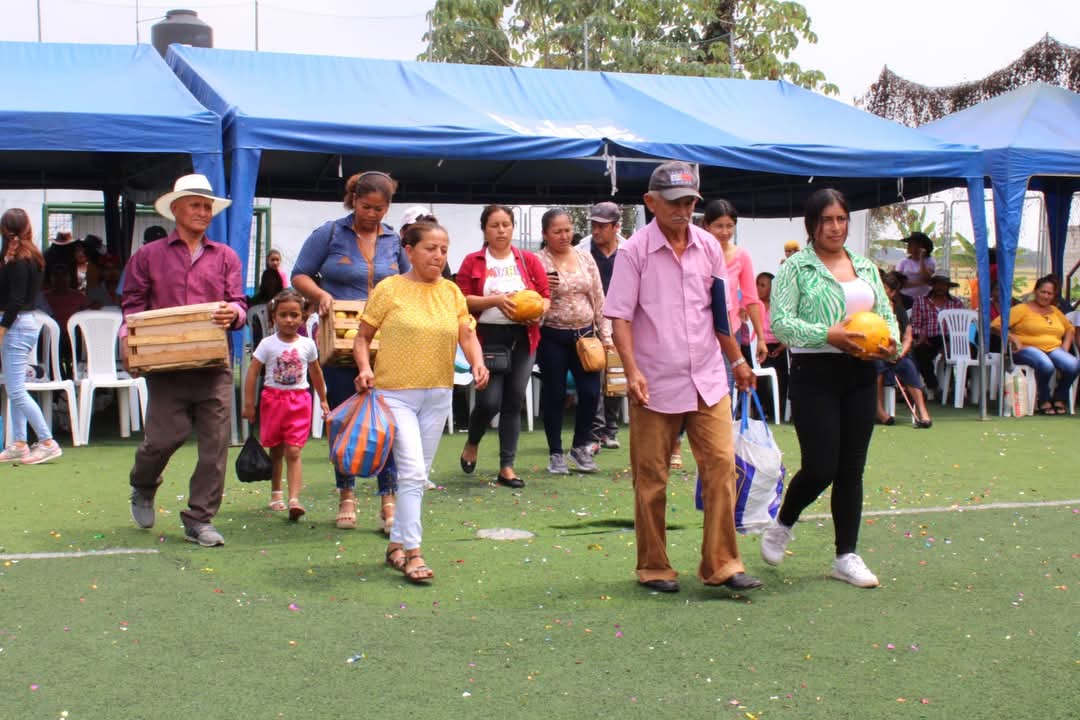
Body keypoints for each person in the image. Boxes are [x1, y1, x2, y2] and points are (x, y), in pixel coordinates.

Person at [604, 161, 761, 594]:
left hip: (708, 377)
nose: (683, 210)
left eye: (690, 202)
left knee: (722, 468)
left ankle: (722, 564)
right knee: (651, 479)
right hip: (654, 382)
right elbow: (620, 318)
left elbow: (720, 314)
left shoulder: (709, 246)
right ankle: (654, 566)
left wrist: (738, 362)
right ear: (650, 202)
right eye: (674, 202)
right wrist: (631, 371)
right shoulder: (634, 251)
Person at [763, 188, 899, 589]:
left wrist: (890, 342)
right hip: (814, 372)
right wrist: (828, 334)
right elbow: (781, 323)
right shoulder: (795, 269)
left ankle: (846, 556)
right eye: (826, 220)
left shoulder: (864, 265)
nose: (835, 227)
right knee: (821, 466)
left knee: (851, 468)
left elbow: (886, 314)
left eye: (841, 219)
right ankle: (783, 522)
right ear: (812, 224)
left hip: (861, 372)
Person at [354, 221, 488, 583]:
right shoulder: (389, 289)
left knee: (417, 477)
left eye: (443, 249)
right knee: (413, 473)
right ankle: (413, 553)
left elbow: (467, 335)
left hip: (439, 394)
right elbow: (362, 337)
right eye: (430, 248)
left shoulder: (451, 292)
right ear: (409, 251)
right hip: (394, 394)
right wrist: (364, 368)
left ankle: (395, 546)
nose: (438, 256)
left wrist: (477, 362)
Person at [122, 173, 247, 548]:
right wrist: (129, 342)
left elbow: (239, 303)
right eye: (195, 205)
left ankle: (199, 519)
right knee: (162, 441)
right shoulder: (148, 256)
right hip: (166, 368)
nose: (203, 212)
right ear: (175, 209)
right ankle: (143, 484)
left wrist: (234, 313)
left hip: (214, 368)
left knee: (215, 447)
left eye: (207, 206)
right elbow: (132, 306)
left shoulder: (226, 256)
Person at [291, 170, 410, 532]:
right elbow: (300, 274)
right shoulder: (329, 233)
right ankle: (347, 494)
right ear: (353, 200)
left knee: (388, 420)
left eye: (379, 208)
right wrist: (321, 294)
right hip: (340, 340)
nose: (372, 214)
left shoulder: (394, 240)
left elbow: (409, 281)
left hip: (386, 343)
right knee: (345, 417)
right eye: (366, 206)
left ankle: (388, 499)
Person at [457, 205, 550, 489]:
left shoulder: (528, 260)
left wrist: (538, 312)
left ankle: (507, 466)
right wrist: (495, 301)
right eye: (494, 225)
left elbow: (545, 296)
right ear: (484, 230)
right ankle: (473, 441)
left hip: (523, 336)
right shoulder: (473, 261)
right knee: (489, 401)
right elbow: (461, 300)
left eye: (506, 225)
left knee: (513, 400)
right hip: (487, 337)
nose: (501, 230)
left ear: (512, 228)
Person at [243, 289, 329, 520]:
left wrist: (323, 398)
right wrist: (249, 404)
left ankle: (294, 499)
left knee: (293, 450)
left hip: (299, 402)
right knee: (276, 449)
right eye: (283, 315)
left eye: (294, 315)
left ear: (302, 317)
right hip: (273, 401)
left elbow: (316, 373)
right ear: (274, 317)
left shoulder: (307, 344)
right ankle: (276, 493)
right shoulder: (267, 344)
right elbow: (252, 373)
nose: (289, 320)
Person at [536, 208, 610, 475]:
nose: (564, 236)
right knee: (555, 394)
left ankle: (580, 447)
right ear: (545, 234)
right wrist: (544, 289)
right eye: (557, 232)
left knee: (590, 392)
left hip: (586, 334)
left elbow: (598, 296)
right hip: (552, 334)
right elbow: (530, 300)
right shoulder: (537, 261)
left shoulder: (584, 257)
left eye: (567, 230)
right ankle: (555, 452)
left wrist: (605, 333)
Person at [0, 209, 64, 464]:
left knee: (15, 390)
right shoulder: (32, 256)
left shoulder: (18, 260)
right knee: (15, 387)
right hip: (24, 323)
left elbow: (15, 300)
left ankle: (47, 442)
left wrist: (2, 328)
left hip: (15, 325)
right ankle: (19, 442)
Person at [992, 274, 1078, 415]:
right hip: (1027, 349)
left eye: (1049, 293)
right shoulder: (1022, 309)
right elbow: (995, 325)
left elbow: (1070, 329)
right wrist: (1013, 338)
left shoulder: (1055, 311)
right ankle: (1043, 399)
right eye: (1043, 292)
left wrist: (1065, 348)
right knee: (1046, 365)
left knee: (1073, 365)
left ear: (1053, 295)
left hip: (1053, 349)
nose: (1046, 296)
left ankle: (1059, 398)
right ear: (1035, 291)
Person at [586, 201, 626, 452]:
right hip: (590, 319)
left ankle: (610, 429)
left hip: (621, 320)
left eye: (602, 226)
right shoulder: (583, 250)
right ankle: (595, 430)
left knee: (616, 375)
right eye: (594, 225)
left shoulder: (630, 250)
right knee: (593, 374)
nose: (596, 231)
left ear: (616, 227)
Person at [875, 271, 932, 428]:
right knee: (877, 366)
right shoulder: (872, 309)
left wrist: (900, 354)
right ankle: (880, 412)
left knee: (908, 366)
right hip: (876, 353)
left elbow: (907, 337)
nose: (880, 291)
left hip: (896, 353)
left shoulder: (899, 310)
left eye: (884, 289)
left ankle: (923, 412)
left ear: (893, 292)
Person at [739, 272, 789, 422]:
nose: (758, 288)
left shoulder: (779, 307)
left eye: (762, 285)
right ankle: (759, 411)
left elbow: (787, 329)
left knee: (779, 378)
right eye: (757, 284)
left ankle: (777, 412)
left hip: (777, 348)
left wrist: (782, 346)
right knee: (759, 378)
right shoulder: (749, 305)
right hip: (755, 348)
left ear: (771, 289)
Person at [910, 274, 965, 397]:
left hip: (951, 338)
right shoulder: (920, 301)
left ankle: (957, 388)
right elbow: (915, 325)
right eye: (938, 284)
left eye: (944, 285)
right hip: (930, 338)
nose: (940, 287)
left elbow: (962, 326)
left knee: (971, 352)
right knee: (919, 351)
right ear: (933, 285)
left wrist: (953, 341)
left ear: (948, 287)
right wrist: (921, 334)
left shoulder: (956, 303)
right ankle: (934, 386)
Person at [895, 232, 935, 309]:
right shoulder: (903, 262)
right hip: (905, 298)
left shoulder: (930, 261)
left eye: (912, 244)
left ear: (921, 246)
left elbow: (927, 278)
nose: (908, 246)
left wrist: (921, 259)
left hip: (924, 298)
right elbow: (898, 282)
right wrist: (921, 283)